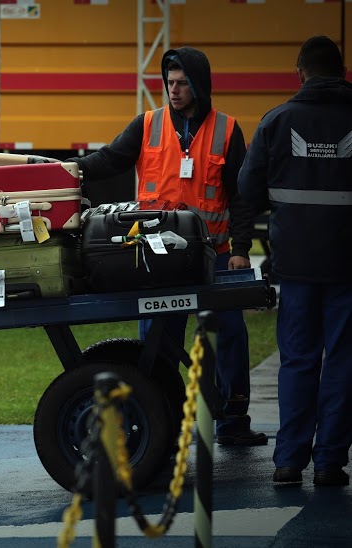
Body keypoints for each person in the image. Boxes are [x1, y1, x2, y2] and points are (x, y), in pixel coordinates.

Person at [67, 47, 267, 446]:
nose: (173, 91)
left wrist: (241, 248)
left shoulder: (228, 130)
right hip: (157, 256)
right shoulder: (147, 124)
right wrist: (70, 170)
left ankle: (232, 420)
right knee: (158, 338)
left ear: (200, 86)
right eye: (169, 83)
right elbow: (109, 159)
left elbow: (241, 196)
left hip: (215, 254)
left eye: (182, 84)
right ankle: (163, 417)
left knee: (230, 332)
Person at [237, 35, 352, 486]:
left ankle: (288, 462)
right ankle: (329, 464)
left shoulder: (277, 121)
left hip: (297, 266)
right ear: (342, 73)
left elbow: (247, 191)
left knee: (299, 360)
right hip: (347, 267)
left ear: (299, 72)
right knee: (343, 360)